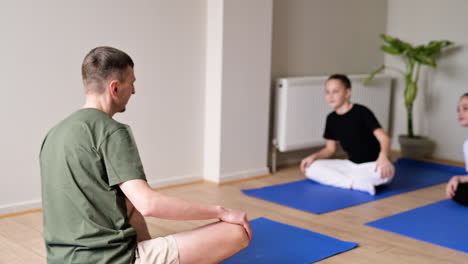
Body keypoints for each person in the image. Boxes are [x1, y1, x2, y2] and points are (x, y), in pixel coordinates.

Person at [40, 46, 251, 264]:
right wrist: (221, 211)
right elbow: (149, 204)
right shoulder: (111, 131)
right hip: (110, 260)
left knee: (127, 202)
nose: (133, 91)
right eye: (131, 83)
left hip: (61, 260)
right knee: (236, 232)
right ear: (114, 88)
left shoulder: (54, 134)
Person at [300, 74, 395, 195]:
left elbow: (384, 138)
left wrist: (383, 158)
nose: (330, 96)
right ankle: (355, 184)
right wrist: (313, 157)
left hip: (372, 165)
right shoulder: (331, 119)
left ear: (347, 93)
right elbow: (330, 150)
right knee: (310, 168)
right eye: (327, 92)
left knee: (387, 173)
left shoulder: (361, 112)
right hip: (351, 165)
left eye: (335, 92)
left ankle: (349, 181)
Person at [445, 93, 468, 205]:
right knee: (457, 190)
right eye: (458, 110)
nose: (460, 113)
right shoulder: (466, 144)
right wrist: (458, 179)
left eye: (465, 108)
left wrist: (458, 178)